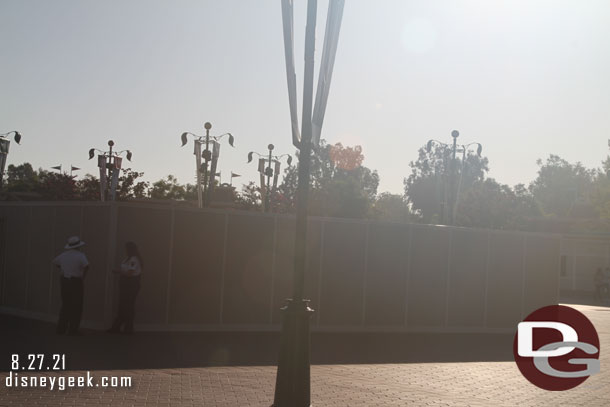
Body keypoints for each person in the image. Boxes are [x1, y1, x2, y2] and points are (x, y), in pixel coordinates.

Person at [52, 236, 89, 335]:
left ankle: (61, 328)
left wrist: (63, 268)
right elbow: (87, 266)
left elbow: (55, 262)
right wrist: (83, 277)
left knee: (66, 305)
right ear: (78, 246)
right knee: (77, 306)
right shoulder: (81, 255)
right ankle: (73, 329)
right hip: (76, 281)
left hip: (64, 280)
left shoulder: (64, 255)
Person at [107, 241, 143, 334]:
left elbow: (130, 273)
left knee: (128, 306)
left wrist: (118, 272)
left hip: (131, 285)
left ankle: (127, 328)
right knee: (123, 305)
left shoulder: (134, 260)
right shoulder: (128, 258)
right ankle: (119, 326)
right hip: (125, 284)